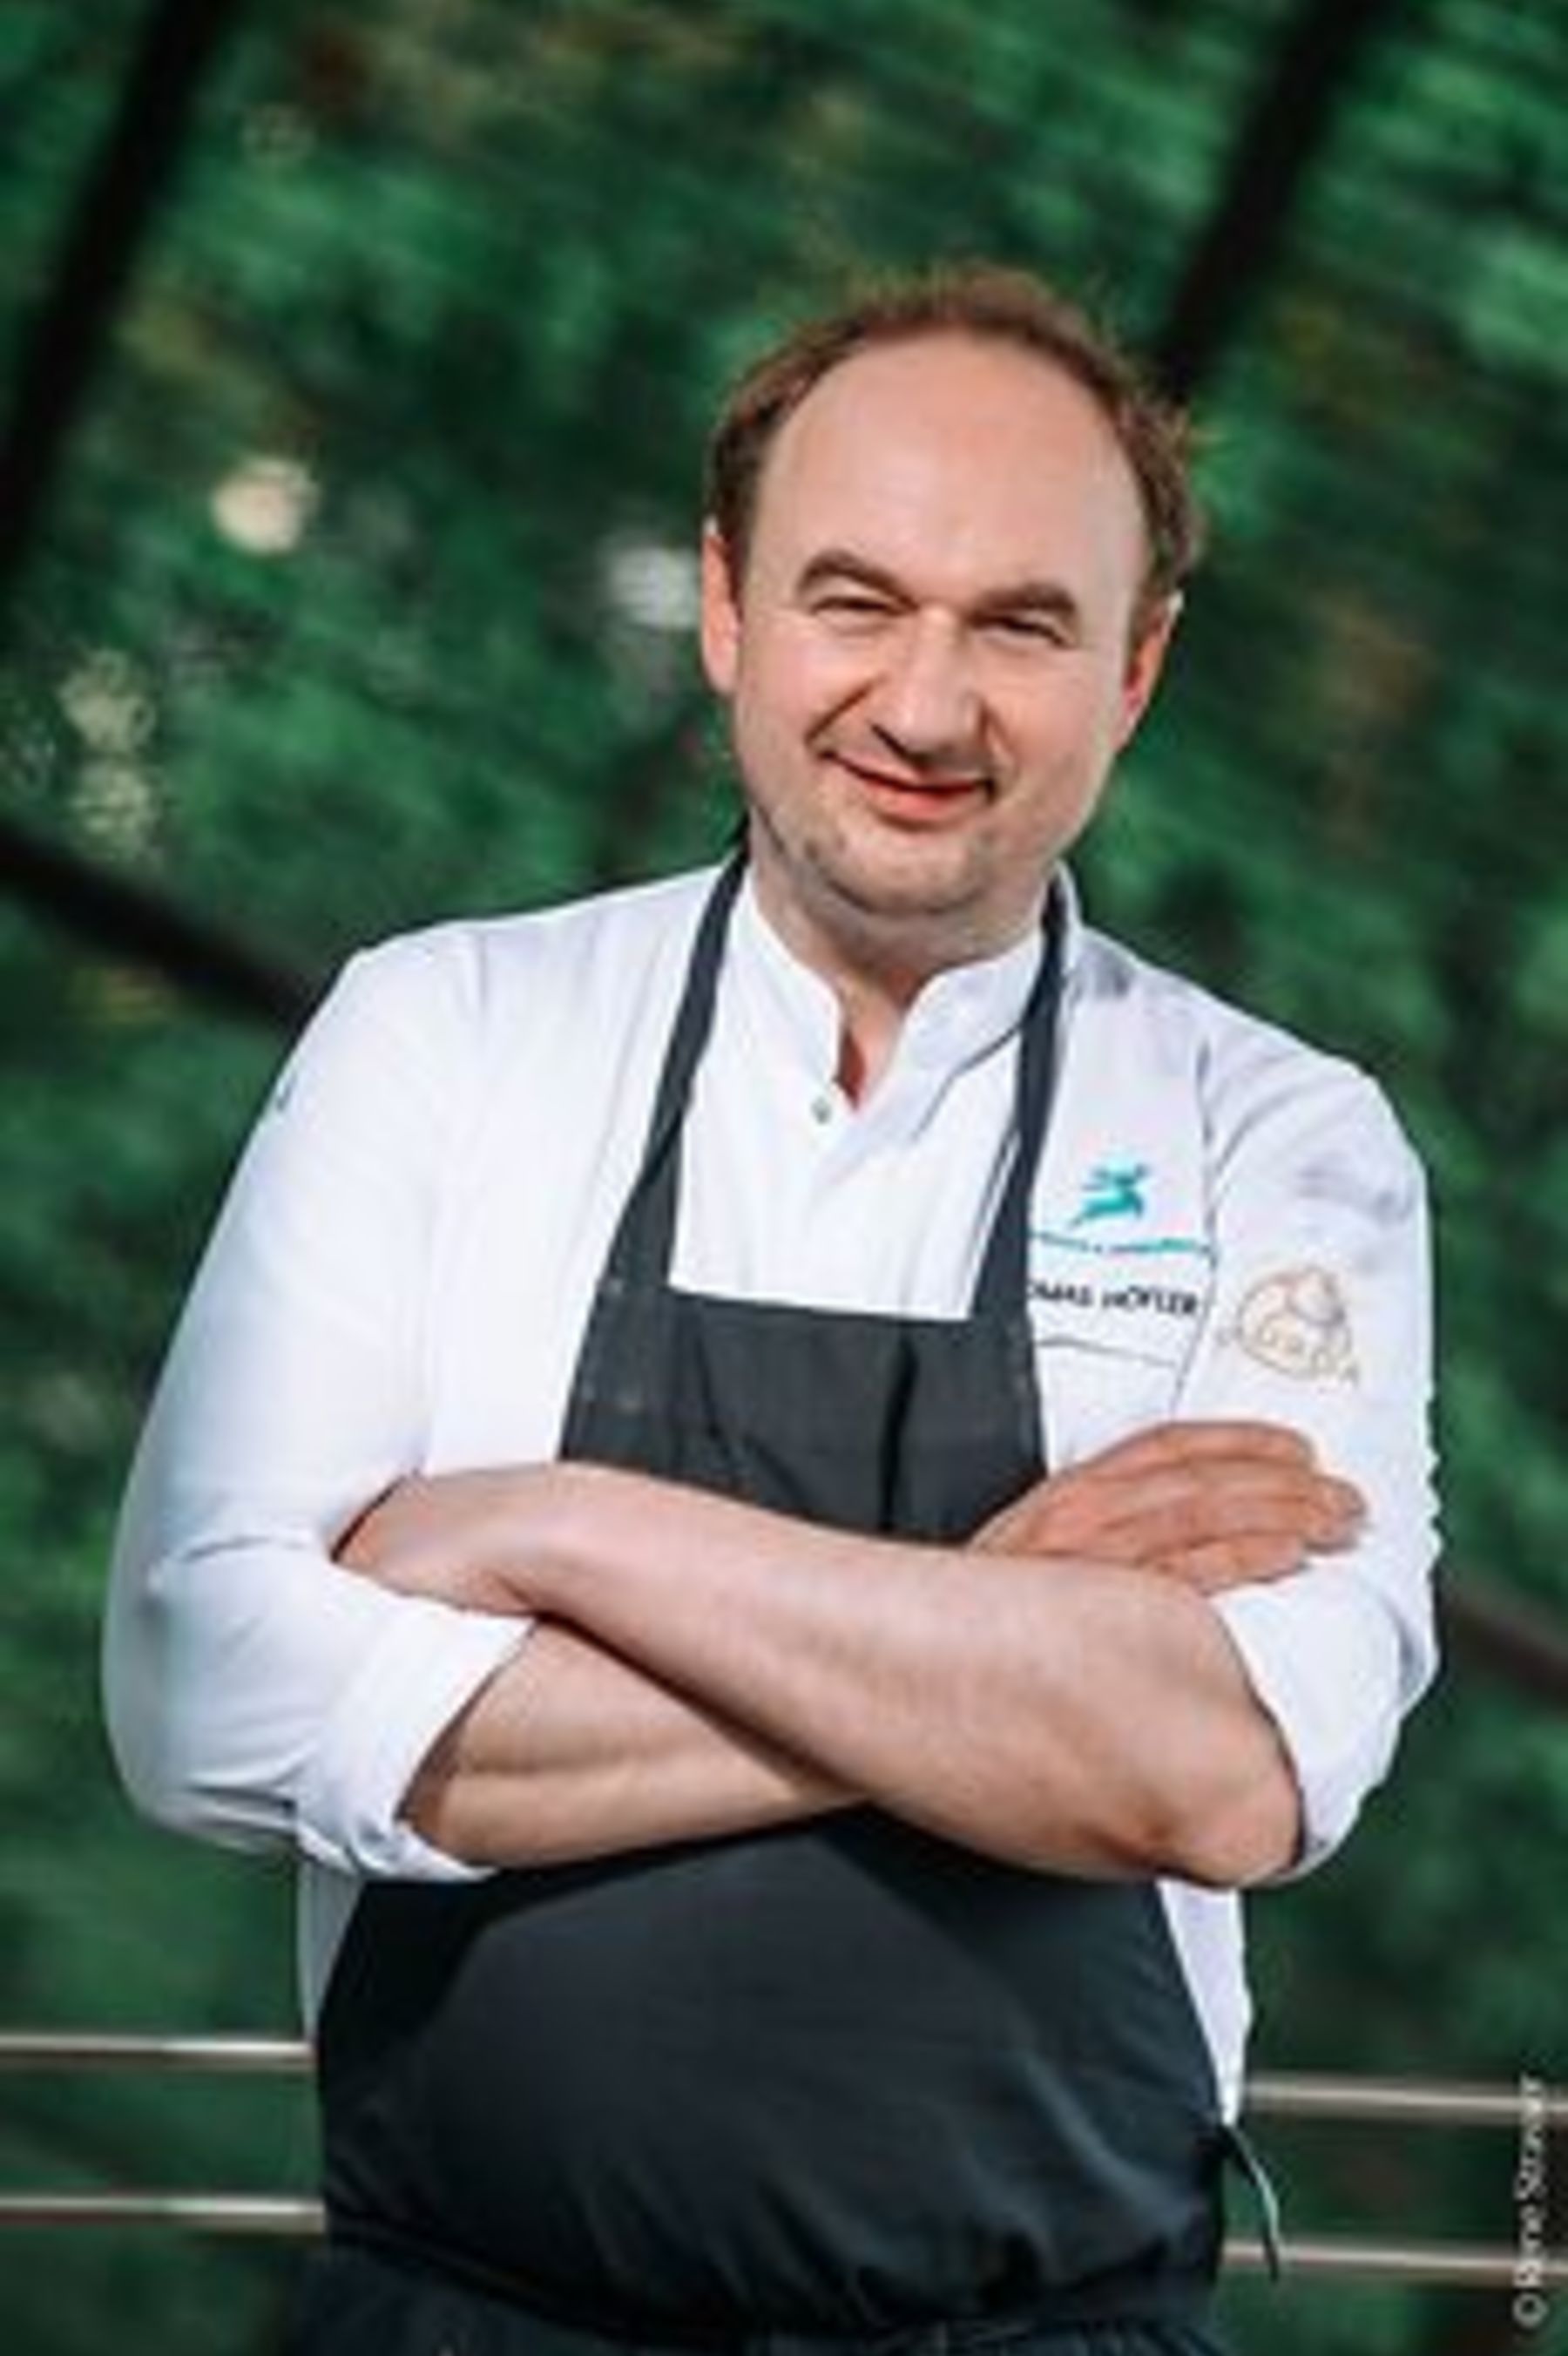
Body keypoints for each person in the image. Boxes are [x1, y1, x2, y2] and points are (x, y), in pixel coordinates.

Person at [103, 264, 1438, 2356]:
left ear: (1139, 669)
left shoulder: (1277, 1133)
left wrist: (549, 1527)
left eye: (1021, 624)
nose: (925, 706)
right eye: (856, 599)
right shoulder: (448, 1033)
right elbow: (204, 1690)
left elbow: (1229, 1763)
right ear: (729, 607)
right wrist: (1001, 1632)